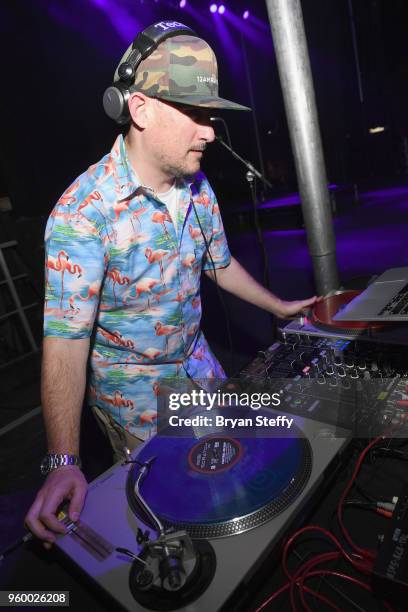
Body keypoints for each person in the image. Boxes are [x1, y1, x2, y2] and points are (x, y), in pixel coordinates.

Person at [25, 22, 319, 547]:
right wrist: (64, 460)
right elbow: (66, 347)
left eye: (211, 115)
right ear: (139, 109)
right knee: (177, 519)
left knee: (236, 474)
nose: (210, 131)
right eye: (196, 114)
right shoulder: (83, 215)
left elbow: (219, 264)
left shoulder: (197, 185)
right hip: (134, 394)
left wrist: (280, 306)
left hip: (197, 360)